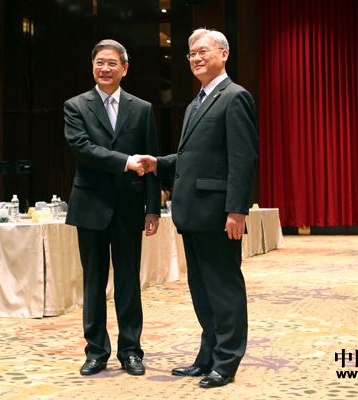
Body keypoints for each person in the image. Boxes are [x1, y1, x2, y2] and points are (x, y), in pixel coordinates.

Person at [139, 28, 258, 388]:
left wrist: (236, 210)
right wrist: (159, 163)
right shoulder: (195, 104)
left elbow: (243, 158)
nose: (195, 58)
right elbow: (191, 158)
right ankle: (208, 356)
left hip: (219, 214)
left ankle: (227, 361)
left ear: (224, 54)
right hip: (192, 214)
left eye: (203, 51)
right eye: (191, 53)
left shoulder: (235, 97)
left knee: (223, 289)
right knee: (202, 291)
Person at [63, 39, 161, 376]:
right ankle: (96, 351)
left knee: (129, 282)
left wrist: (152, 208)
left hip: (129, 207)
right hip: (90, 205)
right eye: (99, 63)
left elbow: (151, 161)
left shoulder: (142, 108)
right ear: (92, 66)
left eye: (112, 63)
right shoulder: (76, 106)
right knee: (93, 282)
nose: (105, 69)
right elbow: (82, 148)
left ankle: (131, 350)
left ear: (125, 68)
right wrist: (125, 162)